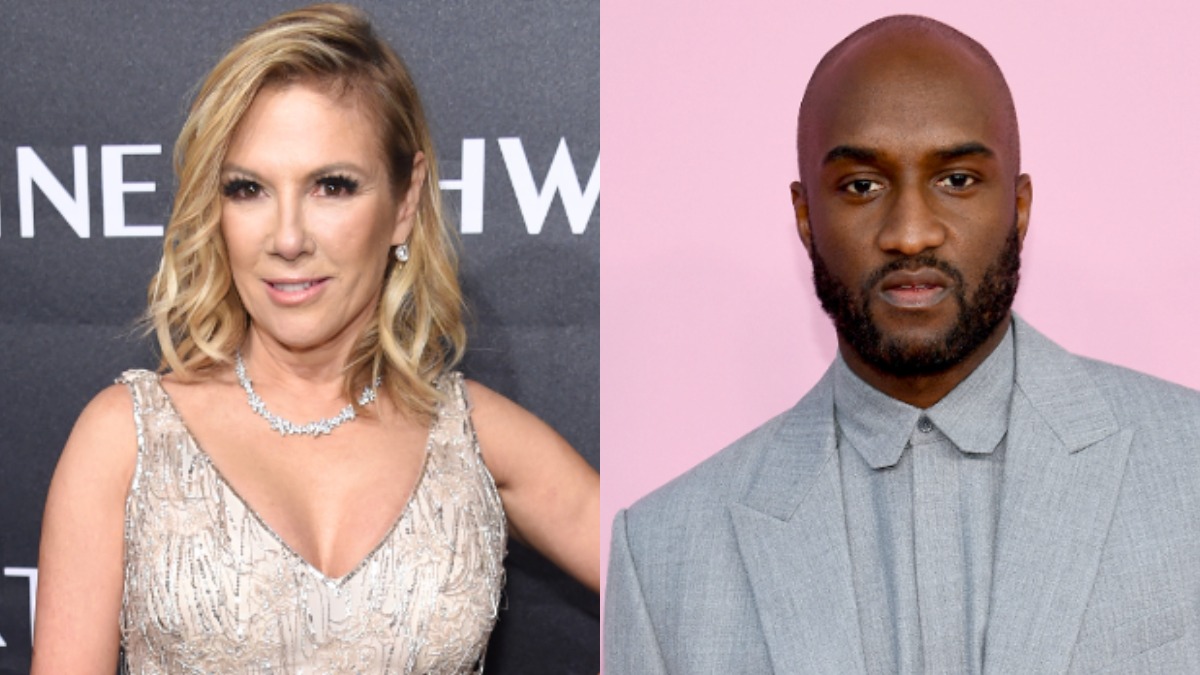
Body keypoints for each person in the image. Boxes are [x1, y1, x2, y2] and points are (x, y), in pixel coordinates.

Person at [605, 14, 1200, 674]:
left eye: (957, 180)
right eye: (862, 186)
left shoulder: (1189, 464)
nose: (911, 233)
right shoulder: (663, 557)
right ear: (805, 217)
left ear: (1019, 206)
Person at [31, 4, 598, 672]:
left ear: (405, 202)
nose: (288, 238)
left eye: (332, 186)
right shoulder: (126, 440)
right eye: (248, 189)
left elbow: (682, 567)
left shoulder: (475, 435)